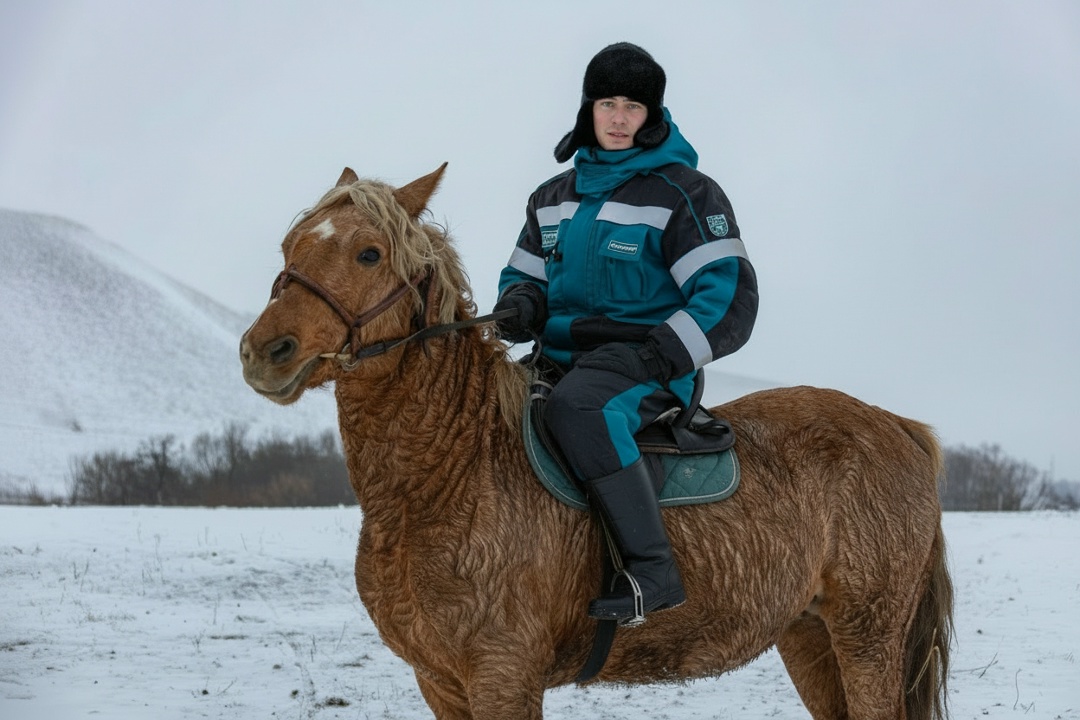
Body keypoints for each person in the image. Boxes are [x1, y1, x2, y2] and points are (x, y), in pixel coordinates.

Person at [494, 42, 759, 624]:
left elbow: (729, 297)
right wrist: (518, 305)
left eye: (633, 107)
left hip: (647, 365)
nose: (618, 118)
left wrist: (659, 354)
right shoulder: (551, 198)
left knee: (578, 408)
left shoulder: (685, 193)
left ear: (652, 117)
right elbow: (525, 276)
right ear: (587, 109)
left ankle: (652, 571)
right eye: (607, 103)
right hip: (558, 357)